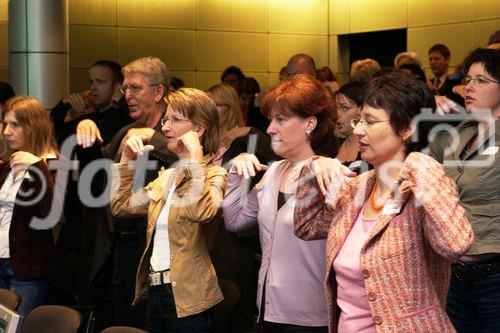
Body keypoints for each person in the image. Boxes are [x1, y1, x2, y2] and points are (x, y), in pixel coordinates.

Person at [294, 72, 474, 332]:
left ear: (406, 128)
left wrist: (420, 164)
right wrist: (312, 171)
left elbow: (455, 244)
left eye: (369, 121)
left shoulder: (425, 187)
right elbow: (306, 226)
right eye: (358, 120)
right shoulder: (356, 188)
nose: (358, 131)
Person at [223, 75, 338, 332]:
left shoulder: (329, 173)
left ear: (310, 123)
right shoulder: (274, 172)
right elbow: (235, 221)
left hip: (309, 316)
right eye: (271, 120)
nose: (270, 129)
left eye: (281, 120)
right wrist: (236, 174)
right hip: (268, 308)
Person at [110, 88, 226, 332]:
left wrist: (194, 156)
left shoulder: (215, 174)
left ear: (199, 130)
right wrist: (126, 162)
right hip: (155, 292)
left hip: (189, 297)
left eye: (175, 120)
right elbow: (121, 207)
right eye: (166, 119)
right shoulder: (168, 177)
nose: (165, 127)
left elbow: (202, 212)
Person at [77, 56, 176, 328]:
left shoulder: (174, 128)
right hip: (119, 248)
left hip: (158, 254)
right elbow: (96, 183)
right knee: (120, 323)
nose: (128, 96)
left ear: (158, 92)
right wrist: (86, 135)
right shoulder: (125, 132)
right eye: (125, 89)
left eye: (135, 88)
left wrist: (153, 138)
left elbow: (190, 161)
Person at [429, 47, 500, 333]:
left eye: (482, 80)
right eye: (468, 79)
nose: (470, 86)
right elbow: (417, 166)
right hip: (454, 276)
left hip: (495, 277)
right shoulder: (460, 132)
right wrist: (424, 104)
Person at [207, 83, 278, 332]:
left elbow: (276, 156)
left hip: (235, 239)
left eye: (217, 104)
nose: (211, 110)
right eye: (208, 104)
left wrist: (250, 130)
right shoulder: (205, 144)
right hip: (207, 236)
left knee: (233, 305)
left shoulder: (247, 143)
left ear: (231, 108)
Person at [0, 96, 59, 317]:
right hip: (1, 261)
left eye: (15, 125)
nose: (7, 131)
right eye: (5, 124)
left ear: (33, 126)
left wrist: (38, 167)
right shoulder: (9, 163)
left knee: (19, 328)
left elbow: (51, 213)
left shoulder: (53, 164)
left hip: (27, 269)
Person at [334, 81, 370, 174]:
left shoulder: (370, 152)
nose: (337, 114)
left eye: (345, 107)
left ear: (361, 110)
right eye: (336, 107)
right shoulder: (330, 146)